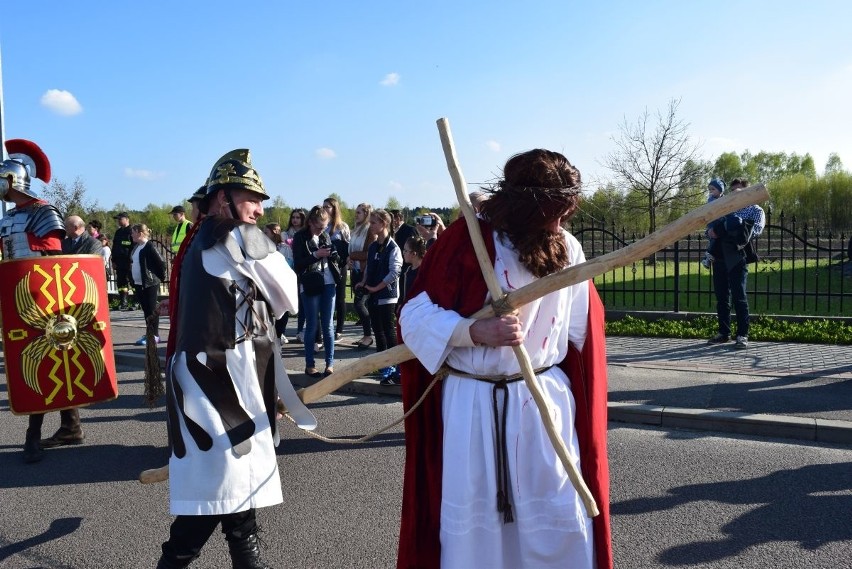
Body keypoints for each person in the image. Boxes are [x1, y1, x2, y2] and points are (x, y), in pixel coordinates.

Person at [397, 149, 612, 568]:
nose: (559, 222)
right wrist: (473, 331)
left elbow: (581, 332)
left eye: (564, 211)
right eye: (552, 212)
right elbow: (413, 317)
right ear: (524, 206)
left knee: (554, 520)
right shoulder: (466, 241)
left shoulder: (568, 246)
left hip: (544, 407)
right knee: (479, 537)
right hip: (474, 408)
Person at [158, 148, 315, 569]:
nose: (260, 209)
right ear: (223, 197)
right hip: (221, 385)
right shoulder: (239, 236)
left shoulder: (196, 239)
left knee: (236, 501)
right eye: (251, 198)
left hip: (208, 379)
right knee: (214, 498)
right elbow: (289, 297)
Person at [0, 138, 85, 464]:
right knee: (53, 363)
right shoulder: (9, 218)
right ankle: (71, 426)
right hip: (17, 303)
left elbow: (55, 264)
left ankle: (32, 437)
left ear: (11, 180)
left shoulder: (42, 213)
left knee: (37, 364)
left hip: (43, 304)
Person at [707, 177, 765, 349]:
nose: (735, 195)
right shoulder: (724, 206)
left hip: (738, 258)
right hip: (719, 256)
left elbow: (755, 231)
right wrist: (712, 231)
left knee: (739, 297)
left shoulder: (756, 210)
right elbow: (709, 228)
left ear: (747, 192)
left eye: (739, 191)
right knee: (722, 297)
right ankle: (724, 333)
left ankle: (742, 335)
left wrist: (728, 227)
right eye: (733, 192)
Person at [292, 205, 340, 378]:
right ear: (311, 222)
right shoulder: (300, 237)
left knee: (328, 325)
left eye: (325, 227)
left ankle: (330, 364)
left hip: (328, 282)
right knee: (312, 325)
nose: (322, 230)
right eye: (319, 227)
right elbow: (298, 264)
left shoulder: (326, 235)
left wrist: (333, 254)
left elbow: (336, 258)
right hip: (310, 283)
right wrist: (316, 255)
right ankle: (309, 364)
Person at [355, 209, 402, 385]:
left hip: (387, 296)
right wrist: (364, 282)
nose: (371, 225)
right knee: (378, 331)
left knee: (389, 332)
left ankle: (397, 367)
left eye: (374, 222)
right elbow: (368, 268)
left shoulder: (393, 247)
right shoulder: (374, 245)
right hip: (374, 294)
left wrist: (376, 287)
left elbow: (394, 272)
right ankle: (384, 367)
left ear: (384, 223)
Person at [129, 223, 166, 346]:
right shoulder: (136, 247)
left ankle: (154, 335)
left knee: (151, 310)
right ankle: (149, 333)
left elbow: (161, 263)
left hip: (149, 283)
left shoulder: (149, 246)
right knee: (146, 310)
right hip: (139, 284)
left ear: (140, 233)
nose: (131, 235)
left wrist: (159, 277)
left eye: (133, 232)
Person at [348, 202, 377, 348]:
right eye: (356, 211)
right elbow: (350, 251)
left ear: (366, 214)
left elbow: (369, 253)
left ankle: (368, 336)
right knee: (361, 304)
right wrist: (349, 258)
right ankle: (366, 335)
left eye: (359, 212)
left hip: (365, 273)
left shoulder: (370, 230)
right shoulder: (356, 230)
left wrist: (352, 256)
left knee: (359, 303)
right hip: (356, 271)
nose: (356, 214)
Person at [323, 197, 350, 341]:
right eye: (324, 206)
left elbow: (348, 247)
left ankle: (339, 329)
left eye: (328, 206)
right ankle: (326, 327)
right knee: (326, 297)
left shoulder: (342, 227)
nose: (325, 209)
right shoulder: (322, 225)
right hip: (325, 266)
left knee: (340, 297)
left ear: (334, 209)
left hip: (340, 266)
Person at [112, 211, 134, 310]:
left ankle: (136, 302)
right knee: (121, 283)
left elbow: (134, 246)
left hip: (129, 261)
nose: (118, 221)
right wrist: (113, 260)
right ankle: (123, 302)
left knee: (133, 282)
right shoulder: (118, 232)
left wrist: (132, 260)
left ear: (126, 219)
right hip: (119, 262)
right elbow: (114, 247)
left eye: (120, 219)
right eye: (118, 219)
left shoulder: (132, 231)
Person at [398, 235, 426, 314]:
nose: (403, 253)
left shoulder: (424, 271)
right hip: (409, 311)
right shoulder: (407, 271)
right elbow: (404, 294)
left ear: (414, 254)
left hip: (421, 312)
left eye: (405, 251)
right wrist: (401, 304)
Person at [701, 178, 725, 269]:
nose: (711, 191)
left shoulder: (725, 198)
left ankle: (708, 258)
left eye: (713, 189)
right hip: (713, 223)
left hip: (720, 223)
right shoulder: (711, 199)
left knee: (714, 241)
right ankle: (708, 257)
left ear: (720, 190)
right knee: (713, 239)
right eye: (710, 189)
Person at [390, 209, 417, 275]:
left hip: (406, 269)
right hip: (397, 268)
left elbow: (414, 249)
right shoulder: (392, 231)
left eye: (390, 219)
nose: (388, 222)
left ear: (398, 218)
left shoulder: (410, 230)